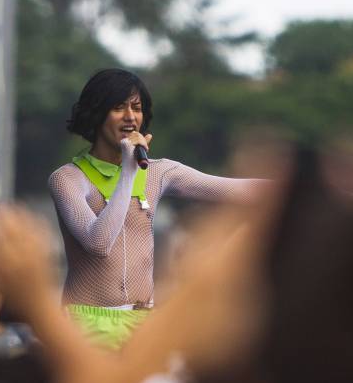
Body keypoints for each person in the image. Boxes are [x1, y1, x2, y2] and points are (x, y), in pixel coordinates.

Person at [49, 68, 265, 348]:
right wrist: (128, 171)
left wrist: (307, 184)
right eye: (118, 108)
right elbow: (98, 243)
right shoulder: (68, 178)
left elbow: (239, 190)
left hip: (144, 323)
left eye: (136, 108)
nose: (130, 116)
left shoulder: (159, 172)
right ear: (97, 113)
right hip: (86, 324)